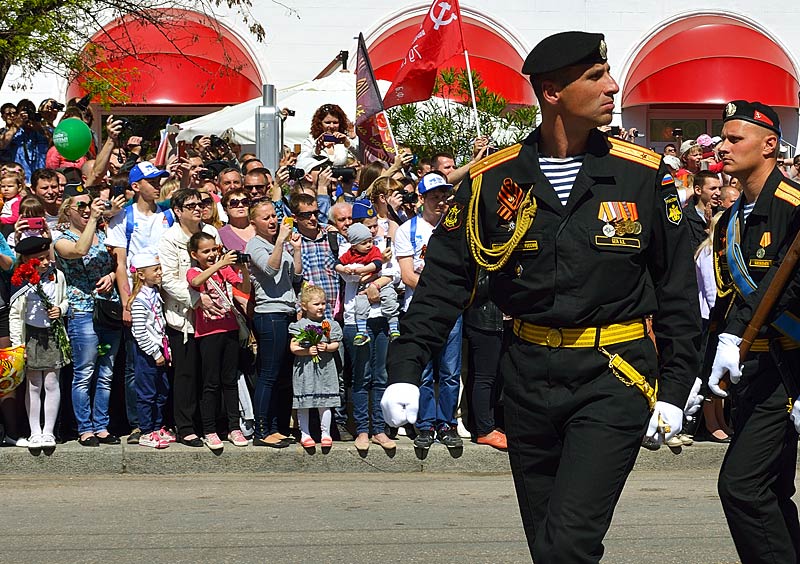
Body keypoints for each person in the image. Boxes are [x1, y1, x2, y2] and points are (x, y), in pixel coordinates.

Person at [381, 31, 700, 563]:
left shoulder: (643, 176)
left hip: (613, 374)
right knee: (547, 544)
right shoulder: (493, 179)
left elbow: (676, 292)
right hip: (527, 377)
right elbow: (443, 282)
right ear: (552, 92)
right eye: (595, 77)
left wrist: (674, 386)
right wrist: (405, 367)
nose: (613, 86)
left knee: (569, 543)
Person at [707, 101, 800, 564]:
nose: (722, 147)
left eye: (733, 139)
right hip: (749, 371)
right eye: (722, 138)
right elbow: (728, 303)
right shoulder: (730, 219)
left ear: (769, 146)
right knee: (771, 491)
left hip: (786, 369)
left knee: (741, 487)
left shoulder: (793, 211)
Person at [393, 171, 464, 451]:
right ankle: (424, 424)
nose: (441, 201)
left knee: (449, 371)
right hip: (419, 311)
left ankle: (447, 424)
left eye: (444, 196)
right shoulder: (407, 230)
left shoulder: (457, 229)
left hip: (451, 312)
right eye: (434, 196)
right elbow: (408, 276)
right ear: (421, 199)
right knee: (423, 371)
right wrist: (443, 288)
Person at [55, 184, 123, 447]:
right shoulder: (61, 236)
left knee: (106, 371)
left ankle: (102, 426)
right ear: (67, 211)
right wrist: (94, 218)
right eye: (80, 206)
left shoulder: (106, 233)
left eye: (89, 204)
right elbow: (79, 252)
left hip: (108, 308)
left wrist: (110, 276)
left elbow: (117, 264)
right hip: (82, 311)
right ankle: (85, 428)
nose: (86, 210)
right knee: (84, 372)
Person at [158, 188, 223, 447]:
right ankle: (185, 427)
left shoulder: (212, 233)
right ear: (178, 211)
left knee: (210, 374)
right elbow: (169, 279)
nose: (198, 208)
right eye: (192, 205)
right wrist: (196, 299)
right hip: (183, 316)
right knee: (186, 374)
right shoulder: (169, 239)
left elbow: (219, 268)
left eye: (202, 203)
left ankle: (209, 425)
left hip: (214, 315)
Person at [187, 232, 252, 450]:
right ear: (194, 254)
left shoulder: (224, 269)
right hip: (208, 334)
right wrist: (220, 264)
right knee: (210, 383)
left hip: (230, 328)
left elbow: (243, 288)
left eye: (214, 249)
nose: (212, 254)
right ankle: (209, 430)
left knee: (230, 380)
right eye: (206, 251)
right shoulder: (194, 270)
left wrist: (241, 267)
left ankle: (234, 427)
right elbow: (196, 281)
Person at [246, 202, 302, 448]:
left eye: (274, 216)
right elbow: (270, 269)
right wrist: (280, 242)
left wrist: (296, 250)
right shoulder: (255, 245)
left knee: (281, 375)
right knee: (268, 374)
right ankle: (261, 430)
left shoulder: (278, 244)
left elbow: (295, 277)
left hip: (287, 312)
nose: (272, 221)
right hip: (270, 314)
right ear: (254, 223)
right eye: (266, 217)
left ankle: (275, 427)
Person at [10, 237, 68, 450]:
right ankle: (35, 431)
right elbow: (15, 314)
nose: (45, 263)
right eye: (39, 260)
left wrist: (61, 309)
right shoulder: (21, 281)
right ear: (26, 259)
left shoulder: (57, 276)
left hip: (52, 333)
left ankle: (49, 432)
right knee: (34, 384)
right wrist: (19, 344)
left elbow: (65, 299)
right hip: (31, 335)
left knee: (52, 382)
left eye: (46, 258)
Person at [127, 251, 173, 450]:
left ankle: (157, 426)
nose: (160, 273)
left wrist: (166, 349)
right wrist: (155, 353)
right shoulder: (139, 301)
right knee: (147, 393)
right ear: (141, 275)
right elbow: (139, 332)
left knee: (162, 390)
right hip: (148, 355)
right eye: (155, 270)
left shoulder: (154, 293)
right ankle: (146, 431)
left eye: (160, 268)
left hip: (161, 350)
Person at [288, 285, 343, 448]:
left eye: (323, 304)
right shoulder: (299, 325)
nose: (321, 307)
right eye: (316, 304)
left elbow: (335, 344)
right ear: (304, 306)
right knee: (304, 402)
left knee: (324, 402)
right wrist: (306, 351)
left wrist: (326, 347)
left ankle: (325, 433)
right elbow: (293, 347)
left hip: (325, 369)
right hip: (305, 369)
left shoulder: (329, 324)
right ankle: (305, 434)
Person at [335, 222, 400, 345]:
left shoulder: (375, 249)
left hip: (382, 288)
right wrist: (343, 269)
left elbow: (380, 266)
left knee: (390, 299)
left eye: (370, 241)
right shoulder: (348, 252)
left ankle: (394, 328)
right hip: (362, 290)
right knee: (360, 305)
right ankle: (362, 332)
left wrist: (361, 270)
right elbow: (341, 268)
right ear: (354, 246)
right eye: (364, 243)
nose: (369, 245)